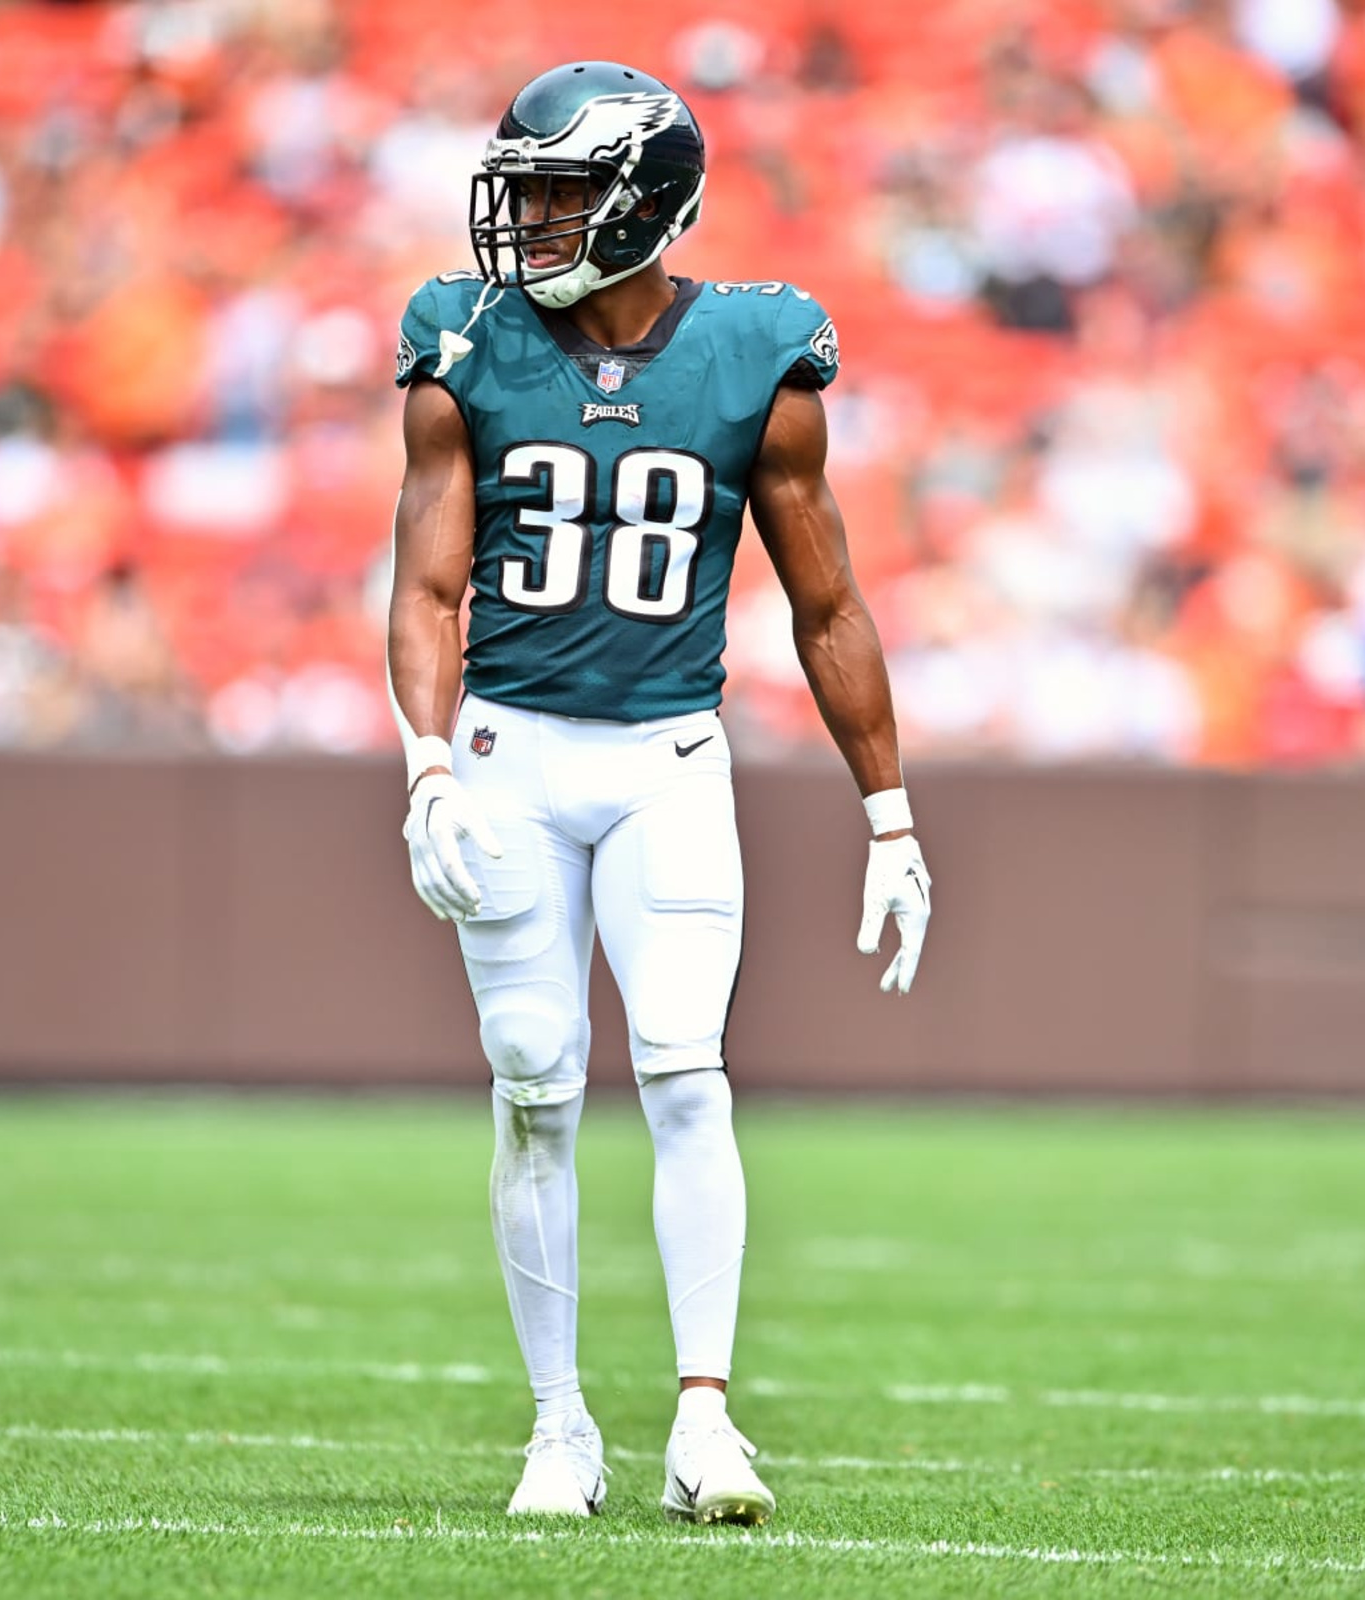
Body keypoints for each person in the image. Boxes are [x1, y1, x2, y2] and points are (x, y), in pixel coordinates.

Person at [386, 60, 931, 1526]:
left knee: (687, 1073)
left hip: (666, 759)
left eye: (563, 191)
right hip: (505, 750)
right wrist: (427, 763)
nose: (532, 223)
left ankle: (705, 1423)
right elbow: (430, 583)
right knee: (535, 1086)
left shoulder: (754, 351)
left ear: (644, 202)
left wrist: (889, 813)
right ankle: (559, 1427)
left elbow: (827, 605)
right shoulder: (466, 341)